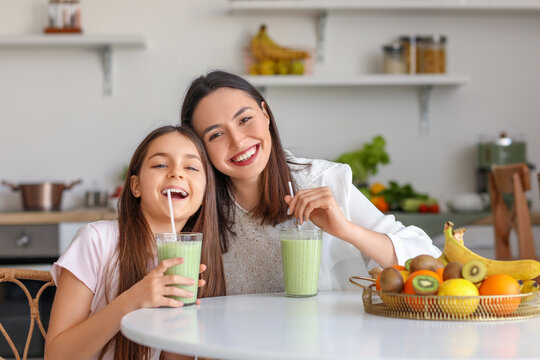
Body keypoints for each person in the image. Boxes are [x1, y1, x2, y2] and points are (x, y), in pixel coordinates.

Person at [180, 70, 441, 295]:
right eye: (216, 134)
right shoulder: (194, 206)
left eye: (245, 119)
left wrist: (346, 230)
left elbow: (430, 260)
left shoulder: (321, 182)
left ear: (265, 114)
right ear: (199, 147)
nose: (237, 141)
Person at [45, 125, 225, 360]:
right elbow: (56, 356)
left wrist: (183, 330)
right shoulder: (97, 241)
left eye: (191, 167)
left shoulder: (197, 259)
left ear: (204, 194)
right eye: (161, 164)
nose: (176, 173)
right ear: (136, 186)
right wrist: (131, 301)